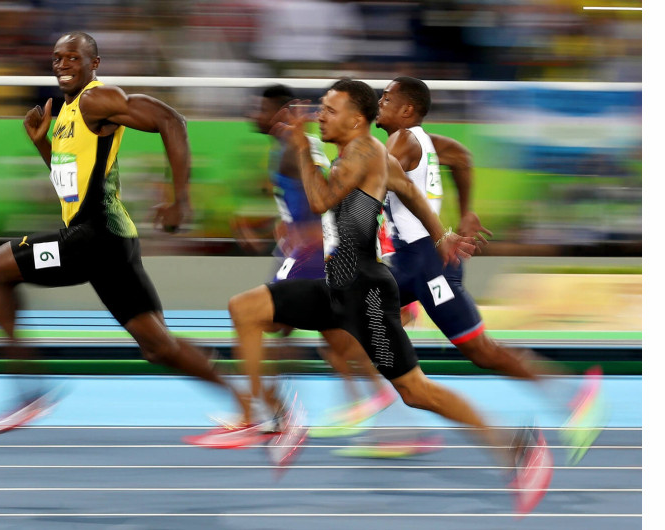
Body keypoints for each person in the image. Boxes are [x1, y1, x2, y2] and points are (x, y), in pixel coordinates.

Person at [189, 78, 553, 514]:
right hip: (336, 285)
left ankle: (519, 447)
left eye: (329, 109)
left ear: (356, 120)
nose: (319, 115)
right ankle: (265, 418)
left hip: (365, 294)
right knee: (245, 308)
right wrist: (444, 235)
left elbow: (322, 199)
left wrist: (304, 149)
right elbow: (412, 192)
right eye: (320, 107)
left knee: (416, 392)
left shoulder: (362, 153)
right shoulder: (374, 155)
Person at [0, 31, 248, 435]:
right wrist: (43, 145)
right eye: (57, 58)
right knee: (158, 347)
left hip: (92, 238)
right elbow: (72, 185)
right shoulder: (63, 115)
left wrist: (179, 199)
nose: (63, 65)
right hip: (108, 244)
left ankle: (28, 392)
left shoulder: (97, 99)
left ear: (93, 64)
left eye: (73, 58)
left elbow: (172, 120)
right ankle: (251, 407)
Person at [374, 76, 606, 465]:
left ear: (407, 110)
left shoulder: (400, 142)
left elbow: (375, 187)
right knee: (367, 319)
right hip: (411, 264)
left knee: (482, 351)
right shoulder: (427, 142)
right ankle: (401, 422)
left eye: (386, 97)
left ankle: (574, 398)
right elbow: (462, 157)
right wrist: (466, 213)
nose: (379, 101)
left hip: (429, 266)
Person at [248, 84, 396, 433]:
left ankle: (270, 410)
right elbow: (299, 201)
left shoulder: (295, 148)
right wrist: (275, 225)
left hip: (311, 253)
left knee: (266, 320)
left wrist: (311, 234)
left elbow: (323, 197)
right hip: (304, 250)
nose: (253, 114)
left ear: (282, 112)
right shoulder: (285, 148)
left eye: (261, 108)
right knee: (330, 337)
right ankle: (370, 398)